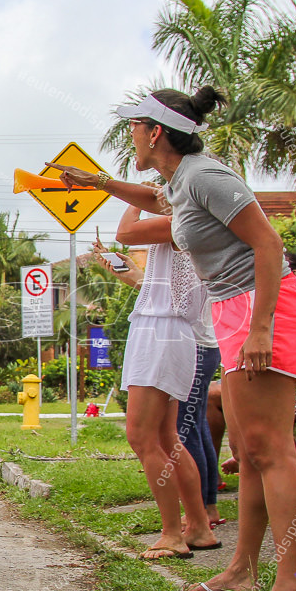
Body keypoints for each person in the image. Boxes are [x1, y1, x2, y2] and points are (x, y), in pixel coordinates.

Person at [51, 85, 296, 591]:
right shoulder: (181, 181)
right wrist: (97, 181)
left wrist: (261, 326)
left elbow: (268, 243)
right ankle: (244, 565)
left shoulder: (206, 176)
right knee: (249, 453)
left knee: (270, 451)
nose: (129, 134)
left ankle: (292, 584)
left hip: (264, 307)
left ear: (156, 132)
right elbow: (154, 200)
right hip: (233, 308)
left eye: (134, 126)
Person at [94, 206, 219, 558]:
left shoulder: (184, 218)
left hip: (162, 332)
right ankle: (197, 527)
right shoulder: (186, 226)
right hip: (170, 330)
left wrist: (138, 197)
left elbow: (126, 231)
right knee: (167, 437)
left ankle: (172, 534)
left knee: (142, 437)